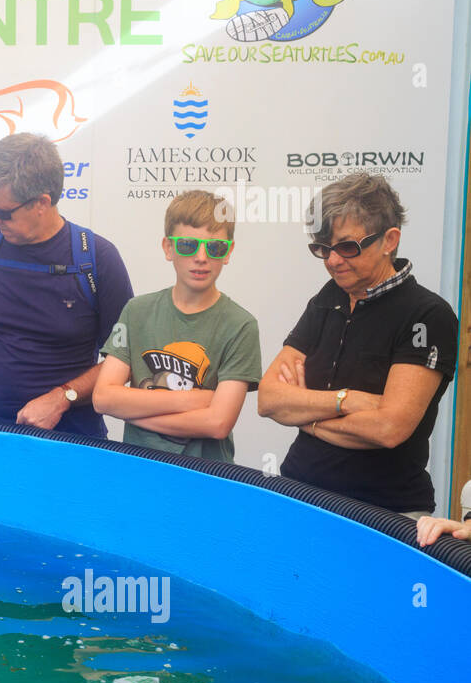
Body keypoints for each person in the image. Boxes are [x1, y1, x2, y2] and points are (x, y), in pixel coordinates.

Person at [257, 173, 458, 515]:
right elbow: (269, 399)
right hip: (298, 495)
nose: (333, 261)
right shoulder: (328, 297)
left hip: (384, 513)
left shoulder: (427, 315)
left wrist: (307, 418)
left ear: (389, 240)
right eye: (323, 249)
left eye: (347, 247)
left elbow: (388, 428)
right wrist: (346, 401)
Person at [0, 133, 133, 435]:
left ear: (42, 202)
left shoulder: (97, 258)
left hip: (69, 438)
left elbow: (124, 359)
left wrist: (63, 397)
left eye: (3, 212)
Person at [94, 190, 260, 462]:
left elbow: (217, 423)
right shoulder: (136, 311)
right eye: (187, 245)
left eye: (214, 247)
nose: (201, 257)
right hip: (141, 470)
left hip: (206, 477)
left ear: (228, 252)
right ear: (168, 248)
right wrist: (193, 400)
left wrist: (136, 413)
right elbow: (103, 397)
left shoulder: (240, 325)